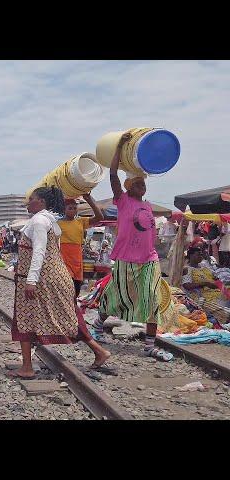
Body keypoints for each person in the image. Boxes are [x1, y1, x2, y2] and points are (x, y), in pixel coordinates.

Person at [12, 186, 111, 379]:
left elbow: (39, 252)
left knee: (24, 320)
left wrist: (31, 281)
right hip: (54, 277)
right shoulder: (50, 221)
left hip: (42, 280)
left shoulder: (40, 221)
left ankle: (27, 367)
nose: (27, 202)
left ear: (41, 202)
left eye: (31, 199)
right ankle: (99, 351)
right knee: (68, 316)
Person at [92, 132, 173, 361]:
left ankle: (149, 345)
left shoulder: (147, 206)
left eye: (144, 183)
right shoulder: (123, 200)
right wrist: (119, 147)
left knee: (152, 298)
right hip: (126, 259)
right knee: (116, 297)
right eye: (138, 184)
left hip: (149, 259)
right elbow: (113, 175)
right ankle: (98, 325)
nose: (142, 187)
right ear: (128, 187)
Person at [58, 194, 104, 298]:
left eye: (75, 208)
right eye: (70, 208)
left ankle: (73, 311)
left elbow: (100, 217)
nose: (73, 210)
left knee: (76, 291)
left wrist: (90, 200)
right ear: (63, 209)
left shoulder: (80, 221)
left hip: (77, 260)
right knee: (65, 290)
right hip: (63, 260)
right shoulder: (57, 224)